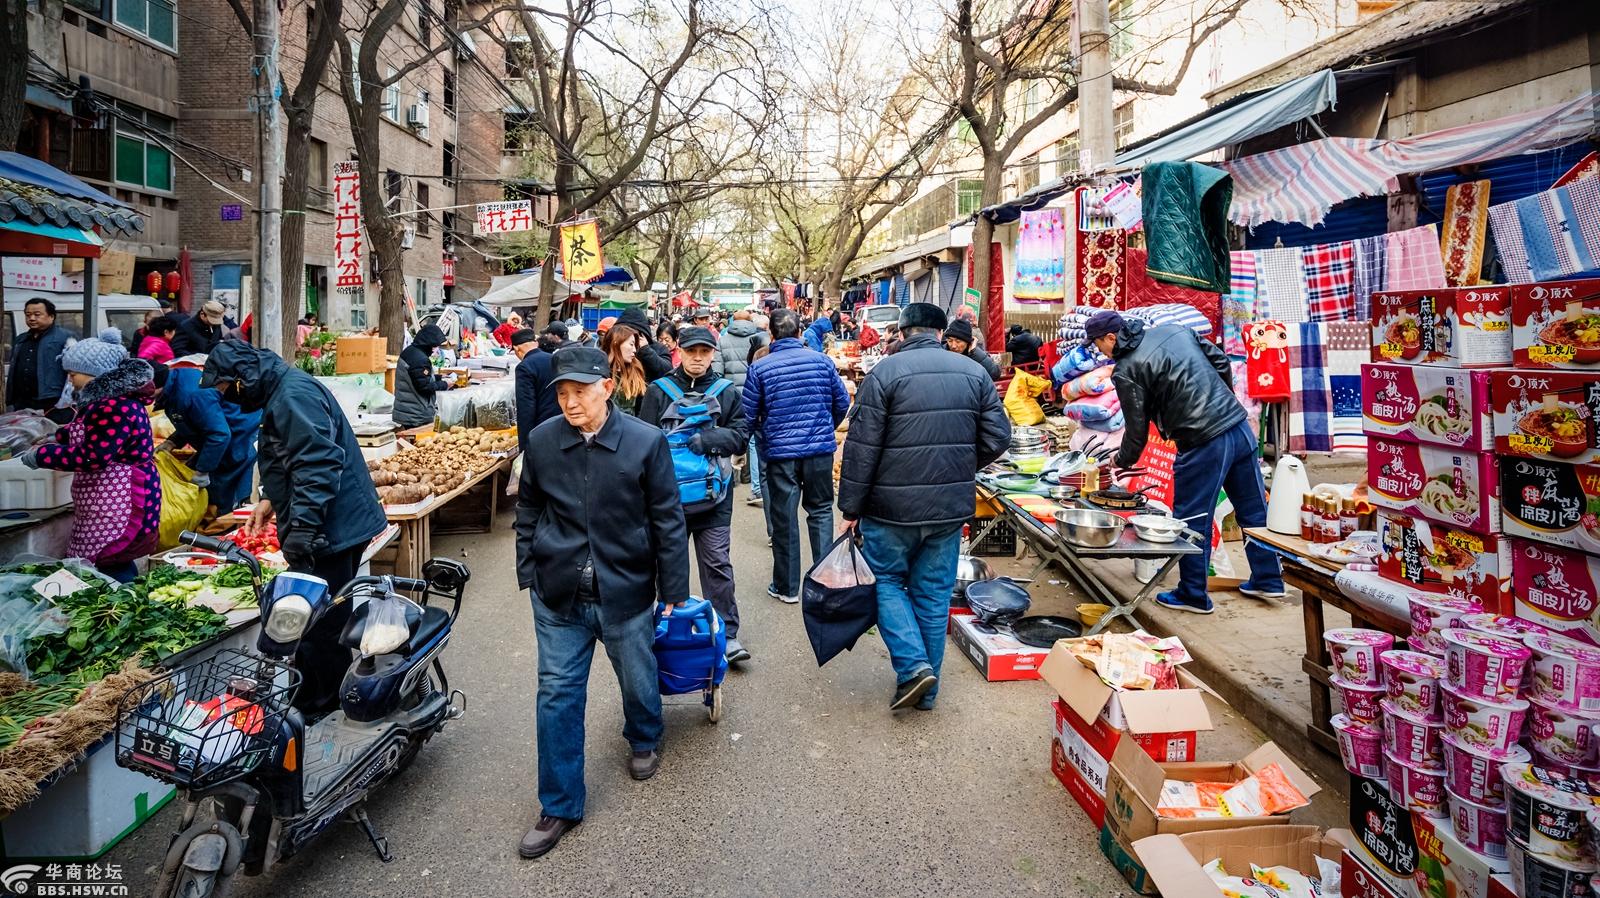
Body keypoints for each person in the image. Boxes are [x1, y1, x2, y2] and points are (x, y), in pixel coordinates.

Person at [513, 345, 689, 860]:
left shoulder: (644, 442)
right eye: (562, 394)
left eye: (580, 393)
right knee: (556, 693)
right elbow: (528, 508)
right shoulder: (543, 441)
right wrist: (529, 568)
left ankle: (643, 734)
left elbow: (668, 519)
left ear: (607, 389)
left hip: (625, 588)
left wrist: (674, 590)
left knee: (637, 676)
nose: (570, 404)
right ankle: (559, 804)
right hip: (558, 592)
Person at [839, 304, 1011, 710]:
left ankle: (915, 668)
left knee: (884, 581)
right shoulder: (973, 373)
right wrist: (961, 466)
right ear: (940, 333)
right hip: (948, 509)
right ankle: (926, 693)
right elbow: (998, 436)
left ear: (901, 331)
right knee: (933, 596)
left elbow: (861, 451)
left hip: (889, 509)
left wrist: (850, 509)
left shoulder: (884, 373)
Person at [201, 341, 387, 714]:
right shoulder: (284, 390)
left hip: (331, 529)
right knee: (321, 622)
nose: (227, 400)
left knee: (317, 627)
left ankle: (325, 709)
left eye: (226, 390)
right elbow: (297, 458)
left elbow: (317, 464)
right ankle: (319, 699)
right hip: (332, 524)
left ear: (242, 379)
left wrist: (302, 528)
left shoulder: (291, 395)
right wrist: (273, 499)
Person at [1088, 310, 1284, 614]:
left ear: (1110, 337)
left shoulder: (1126, 369)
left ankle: (1193, 594)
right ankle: (1269, 579)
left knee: (1192, 519)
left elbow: (1136, 432)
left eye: (1098, 344)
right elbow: (1220, 361)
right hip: (1239, 428)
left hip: (1203, 441)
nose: (1100, 351)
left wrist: (1119, 460)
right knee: (1254, 509)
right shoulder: (1174, 330)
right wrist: (1223, 401)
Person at [637, 326, 751, 665]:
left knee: (717, 564)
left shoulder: (727, 392)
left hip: (714, 498)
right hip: (666, 500)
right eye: (691, 352)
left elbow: (743, 435)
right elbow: (641, 441)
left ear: (713, 353)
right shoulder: (658, 392)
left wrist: (711, 439)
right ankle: (666, 630)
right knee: (664, 566)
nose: (698, 358)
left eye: (704, 352)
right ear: (680, 353)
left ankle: (727, 635)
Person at [18, 331, 161, 582]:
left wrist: (44, 456)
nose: (69, 379)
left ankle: (124, 607)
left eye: (73, 373)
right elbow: (85, 432)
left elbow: (93, 456)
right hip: (105, 500)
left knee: (109, 561)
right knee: (105, 563)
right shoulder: (104, 403)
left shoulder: (113, 406)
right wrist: (56, 437)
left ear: (95, 373)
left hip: (122, 499)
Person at [742, 309, 851, 604]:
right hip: (819, 452)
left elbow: (748, 416)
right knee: (821, 511)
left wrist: (763, 438)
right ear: (800, 333)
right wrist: (825, 426)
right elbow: (842, 403)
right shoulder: (822, 362)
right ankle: (824, 584)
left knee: (784, 518)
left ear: (772, 336)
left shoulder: (760, 368)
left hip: (780, 455)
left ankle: (787, 587)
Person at [151, 363, 261, 514]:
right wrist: (173, 441)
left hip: (240, 435)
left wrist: (202, 471)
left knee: (231, 492)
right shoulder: (177, 382)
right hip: (223, 435)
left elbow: (219, 434)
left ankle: (227, 520)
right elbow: (195, 419)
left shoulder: (191, 394)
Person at [716, 310, 767, 505]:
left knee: (730, 435)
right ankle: (756, 487)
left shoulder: (723, 340)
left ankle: (729, 480)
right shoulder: (759, 338)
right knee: (753, 441)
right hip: (755, 393)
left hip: (731, 395)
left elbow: (718, 372)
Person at [6, 297, 71, 412]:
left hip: (52, 401)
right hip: (22, 402)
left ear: (51, 316)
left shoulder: (64, 338)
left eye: (37, 314)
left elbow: (73, 371)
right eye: (28, 315)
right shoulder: (20, 339)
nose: (31, 318)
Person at [392, 323, 454, 429]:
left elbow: (418, 378)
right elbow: (424, 387)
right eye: (435, 346)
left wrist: (439, 377)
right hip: (416, 414)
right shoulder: (420, 359)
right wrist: (444, 384)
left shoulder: (410, 351)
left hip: (408, 410)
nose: (436, 349)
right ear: (428, 344)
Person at [512, 326, 560, 449]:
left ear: (517, 349)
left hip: (541, 430)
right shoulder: (554, 359)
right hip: (561, 424)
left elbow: (526, 409)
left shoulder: (524, 367)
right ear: (536, 343)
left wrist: (525, 447)